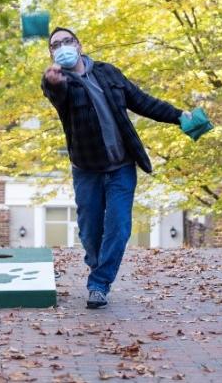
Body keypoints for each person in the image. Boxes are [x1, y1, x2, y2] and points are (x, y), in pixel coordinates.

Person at [42, 27, 191, 309]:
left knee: (119, 227)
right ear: (51, 53)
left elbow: (142, 101)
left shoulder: (109, 73)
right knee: (89, 231)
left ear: (79, 44)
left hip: (121, 166)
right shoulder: (59, 81)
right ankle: (100, 264)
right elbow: (55, 93)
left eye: (67, 41)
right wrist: (52, 83)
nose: (62, 47)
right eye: (55, 45)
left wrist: (178, 116)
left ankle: (99, 283)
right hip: (86, 169)